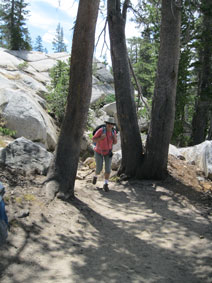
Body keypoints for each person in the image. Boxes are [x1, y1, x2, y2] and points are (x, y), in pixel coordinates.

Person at [92, 117, 117, 191]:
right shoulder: (101, 131)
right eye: (108, 123)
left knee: (108, 169)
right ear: (106, 124)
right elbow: (93, 139)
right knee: (99, 168)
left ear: (113, 125)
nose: (110, 125)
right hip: (98, 152)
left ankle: (106, 184)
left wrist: (114, 138)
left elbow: (115, 142)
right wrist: (100, 138)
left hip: (108, 152)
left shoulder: (113, 132)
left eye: (111, 124)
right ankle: (95, 176)